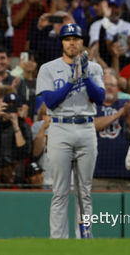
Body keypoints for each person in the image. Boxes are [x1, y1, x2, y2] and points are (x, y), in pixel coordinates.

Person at [36, 24, 105, 238]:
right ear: (62, 43)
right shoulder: (48, 68)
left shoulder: (94, 68)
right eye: (67, 39)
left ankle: (84, 238)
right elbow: (51, 102)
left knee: (85, 191)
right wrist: (71, 80)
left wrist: (84, 76)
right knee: (60, 191)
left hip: (86, 127)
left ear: (81, 41)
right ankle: (58, 242)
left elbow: (100, 99)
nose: (72, 42)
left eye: (75, 38)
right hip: (60, 126)